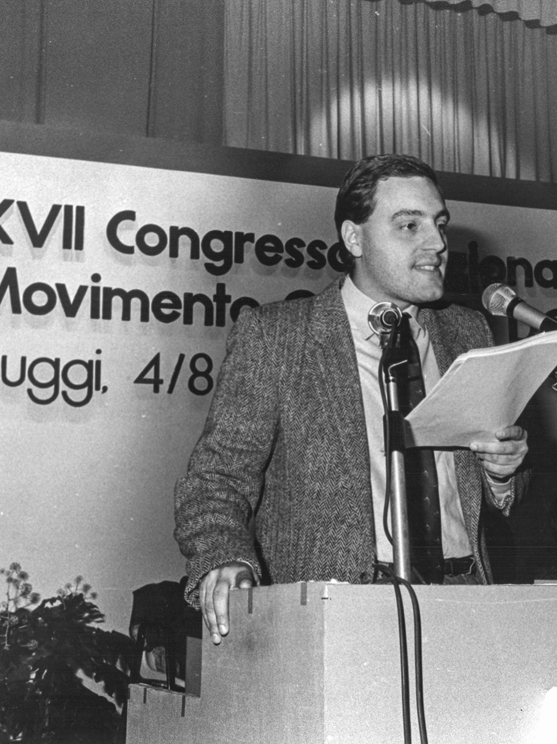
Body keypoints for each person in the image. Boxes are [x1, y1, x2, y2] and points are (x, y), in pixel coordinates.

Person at [174, 154, 530, 643]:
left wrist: (503, 471)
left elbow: (497, 493)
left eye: (440, 224)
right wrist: (225, 557)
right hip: (337, 616)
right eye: (410, 225)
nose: (437, 243)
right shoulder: (278, 337)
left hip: (465, 601)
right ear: (354, 238)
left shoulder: (469, 333)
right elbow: (216, 478)